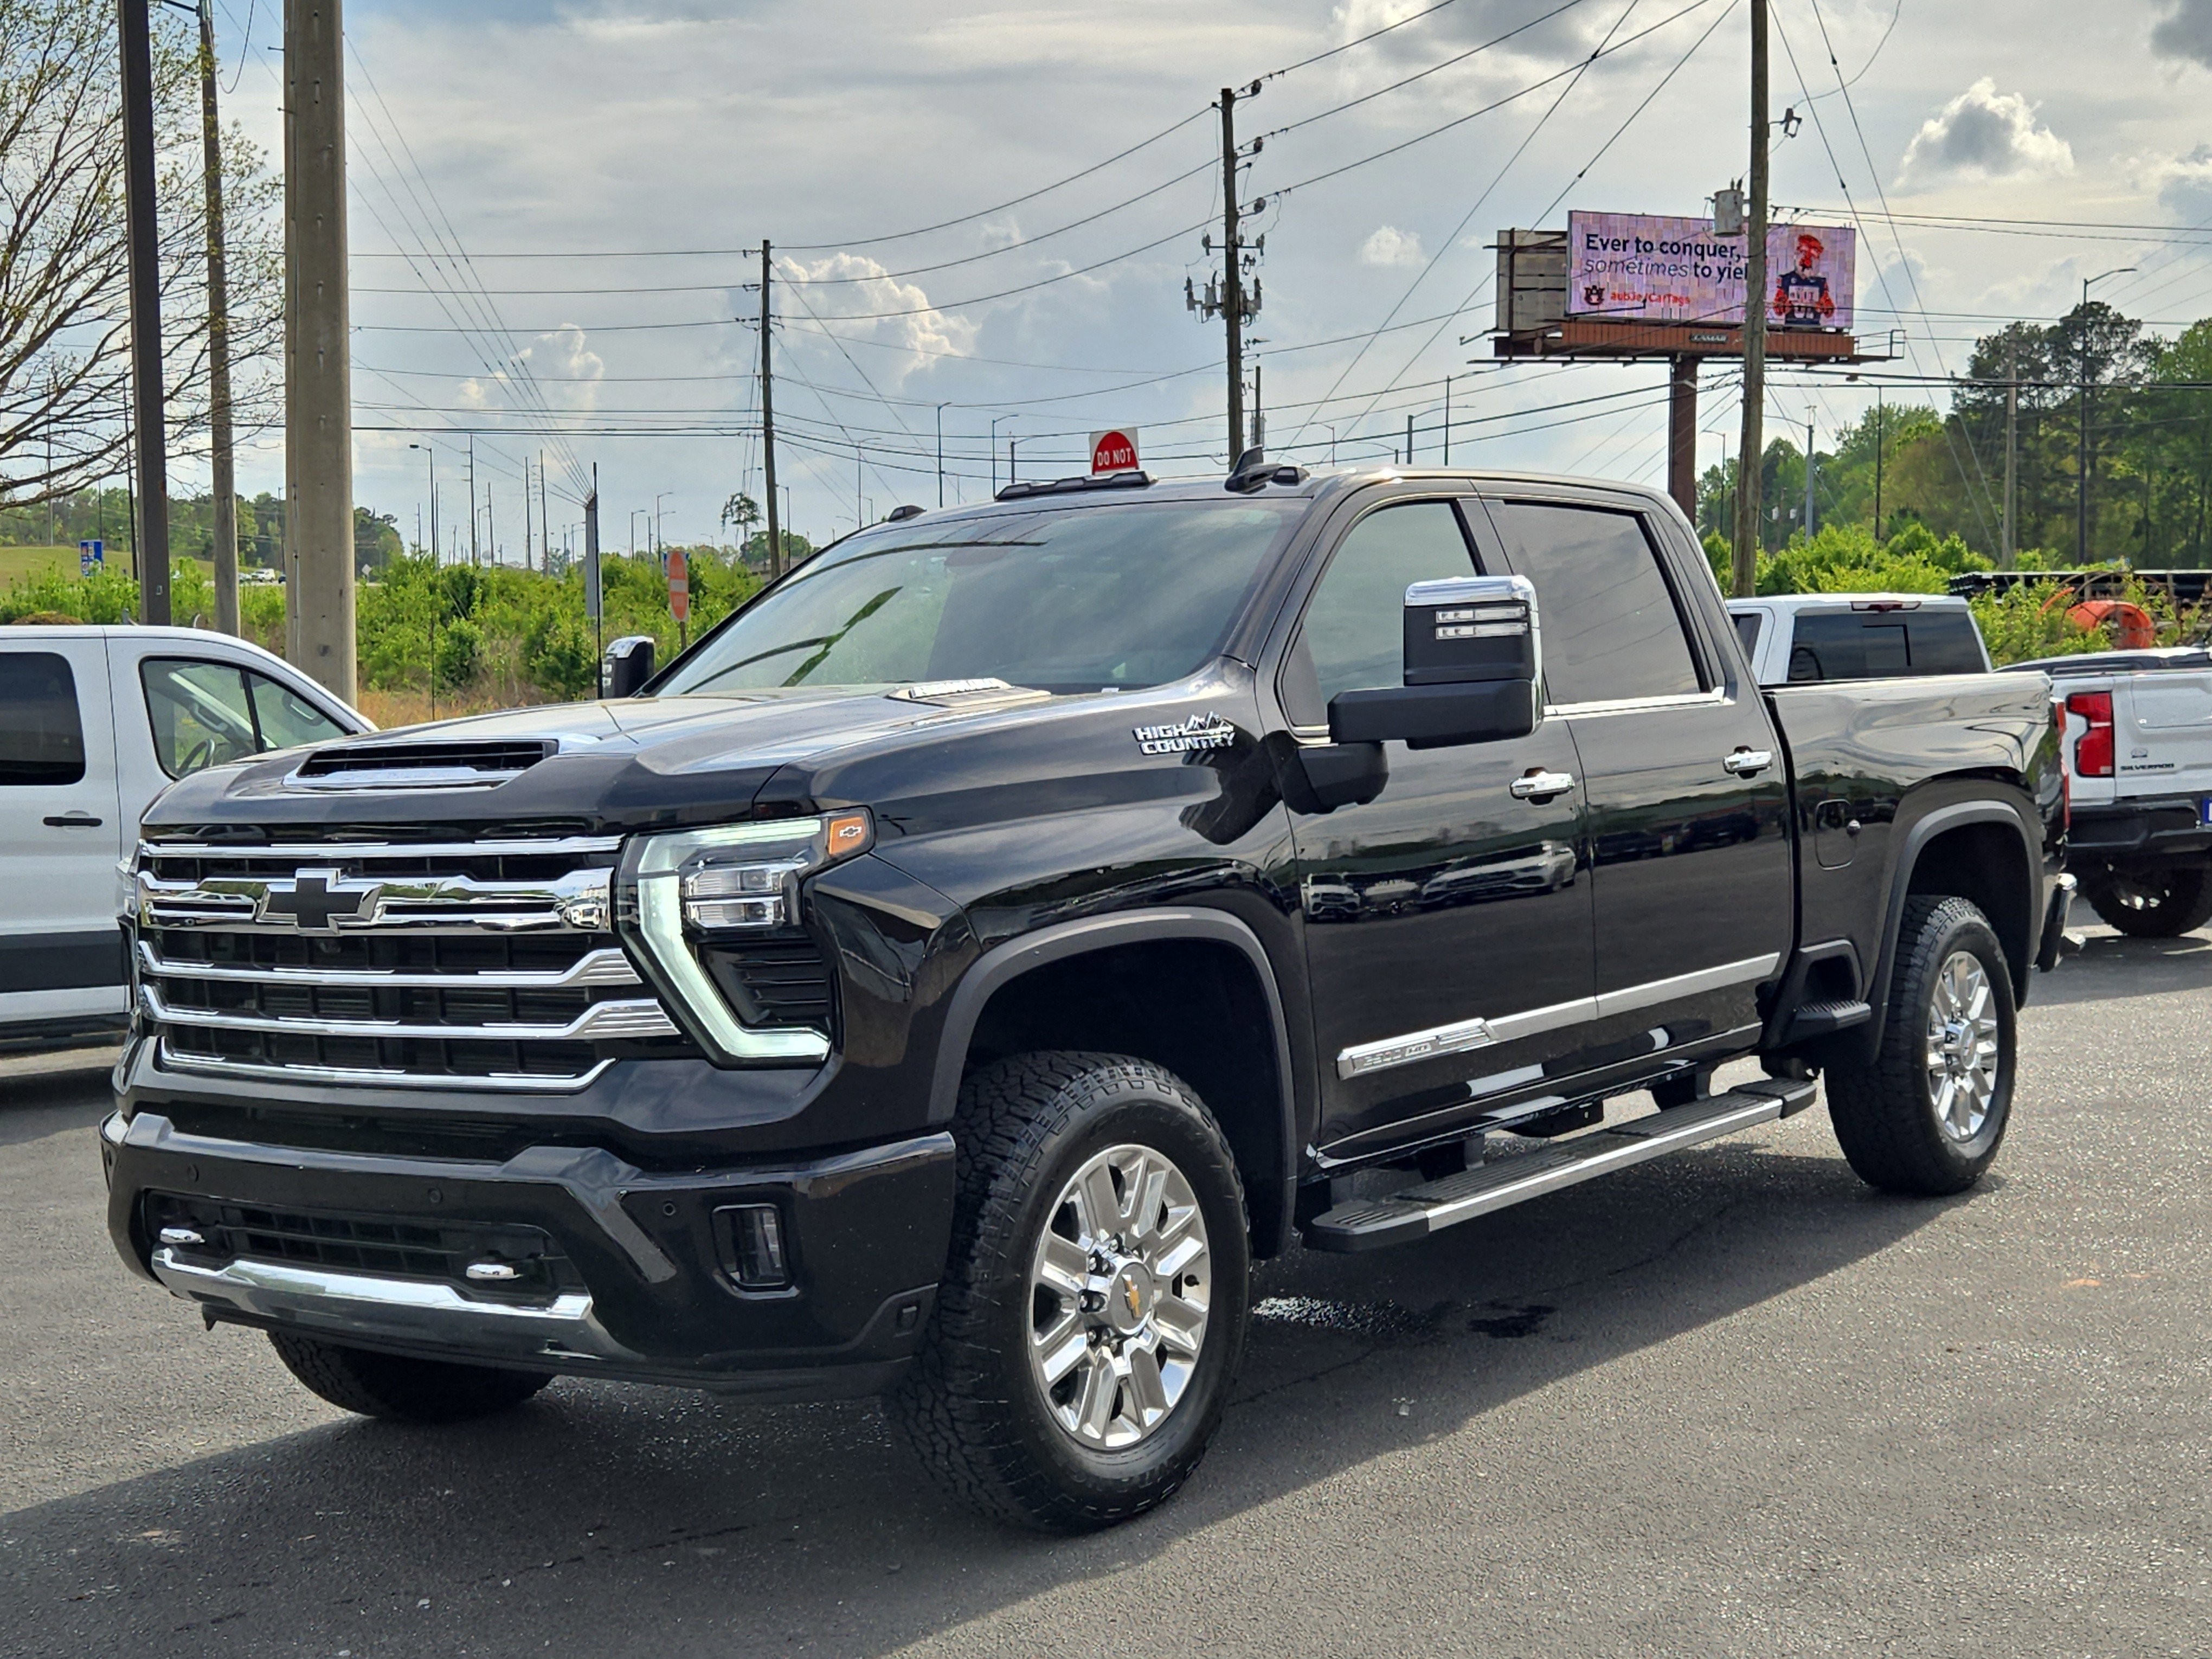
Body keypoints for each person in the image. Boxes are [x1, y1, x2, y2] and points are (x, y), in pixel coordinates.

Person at [1773, 232, 1836, 327]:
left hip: (1814, 330)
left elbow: (1829, 311)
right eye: (1802, 254)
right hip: (1791, 329)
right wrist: (1788, 304)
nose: (1806, 260)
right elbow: (1778, 309)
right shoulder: (1786, 280)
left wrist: (1820, 306)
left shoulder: (1820, 283)